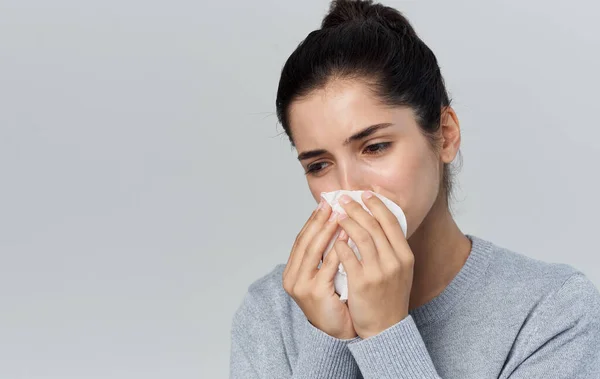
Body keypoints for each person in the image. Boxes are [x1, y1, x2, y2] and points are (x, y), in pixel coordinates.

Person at [229, 0, 600, 378]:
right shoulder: (273, 312)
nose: (349, 187)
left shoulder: (553, 313)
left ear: (446, 136)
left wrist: (387, 334)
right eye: (319, 165)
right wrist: (329, 340)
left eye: (374, 147)